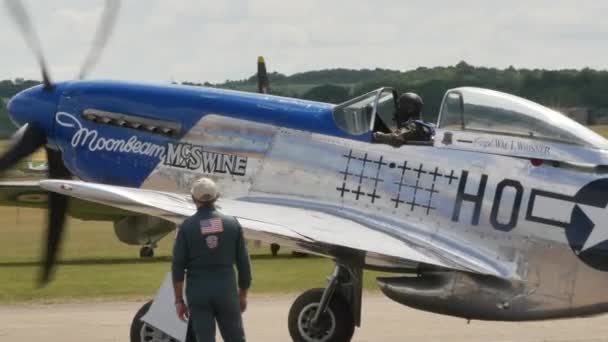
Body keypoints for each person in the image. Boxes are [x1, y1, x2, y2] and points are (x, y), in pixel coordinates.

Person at [172, 177, 252, 342]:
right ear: (217, 196)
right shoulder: (232, 224)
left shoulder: (186, 227)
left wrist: (179, 300)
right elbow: (244, 265)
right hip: (226, 292)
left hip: (198, 293)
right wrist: (243, 294)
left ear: (194, 198)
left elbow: (178, 267)